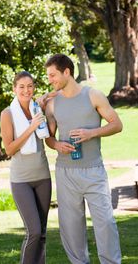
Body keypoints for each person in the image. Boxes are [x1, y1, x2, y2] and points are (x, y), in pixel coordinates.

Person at [42, 54, 123, 264]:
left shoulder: (93, 95)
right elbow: (49, 138)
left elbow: (117, 124)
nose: (50, 80)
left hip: (93, 170)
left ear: (67, 72)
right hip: (65, 172)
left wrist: (91, 133)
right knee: (71, 226)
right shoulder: (52, 104)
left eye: (53, 75)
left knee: (105, 222)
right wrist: (57, 145)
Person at [0, 71, 51, 264]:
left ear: (34, 88)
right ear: (14, 89)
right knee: (34, 231)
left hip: (43, 177)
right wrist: (31, 127)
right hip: (21, 180)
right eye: (21, 86)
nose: (26, 90)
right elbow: (9, 149)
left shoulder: (38, 108)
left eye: (30, 86)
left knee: (43, 233)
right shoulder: (7, 114)